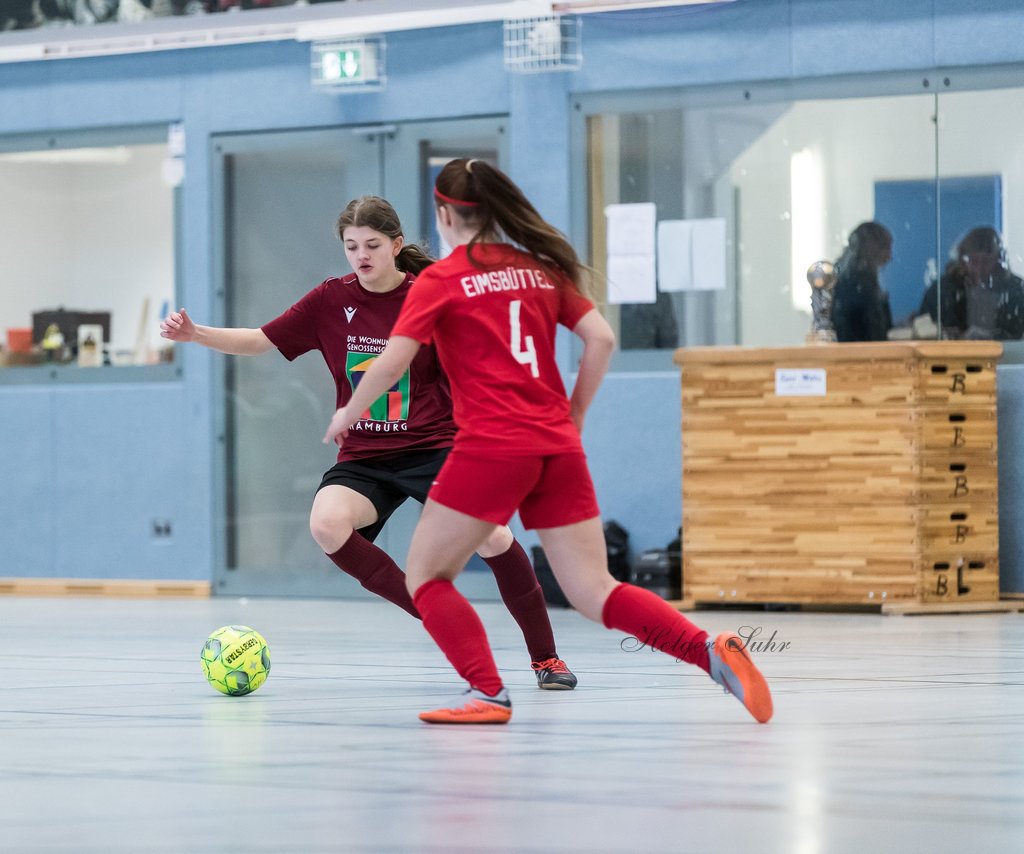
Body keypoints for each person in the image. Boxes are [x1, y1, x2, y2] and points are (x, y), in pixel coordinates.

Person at [324, 160, 772, 725]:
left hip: (491, 445)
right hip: (556, 445)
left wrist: (350, 411)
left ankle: (488, 693)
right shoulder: (538, 269)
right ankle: (708, 652)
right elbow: (601, 338)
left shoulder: (439, 280)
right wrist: (576, 411)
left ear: (443, 215)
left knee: (427, 577)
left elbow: (392, 362)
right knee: (594, 589)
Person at [161, 196, 578, 689]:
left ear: (397, 246)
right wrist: (196, 334)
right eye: (352, 245)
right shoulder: (330, 301)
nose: (361, 255)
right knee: (327, 524)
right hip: (365, 457)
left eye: (373, 245)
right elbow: (261, 339)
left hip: (435, 446)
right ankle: (435, 611)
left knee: (492, 536)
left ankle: (546, 659)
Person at [918, 226, 1024, 340]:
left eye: (986, 261)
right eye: (974, 261)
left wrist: (994, 338)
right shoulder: (942, 291)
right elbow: (924, 332)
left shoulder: (1016, 291)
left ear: (999, 261)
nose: (980, 268)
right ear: (962, 261)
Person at [831, 221, 894, 342]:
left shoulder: (852, 277)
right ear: (874, 249)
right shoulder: (856, 284)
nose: (890, 257)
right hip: (858, 354)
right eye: (886, 249)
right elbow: (869, 328)